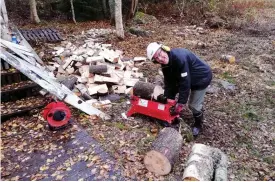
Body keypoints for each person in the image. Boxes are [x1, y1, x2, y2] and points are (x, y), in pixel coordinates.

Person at [146, 42, 212, 136]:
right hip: (187, 76)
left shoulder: (180, 58)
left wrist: (181, 103)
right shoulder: (165, 66)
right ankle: (168, 115)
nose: (160, 58)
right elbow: (169, 83)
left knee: (193, 105)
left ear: (164, 49)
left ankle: (198, 124)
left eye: (160, 54)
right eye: (157, 58)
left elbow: (185, 84)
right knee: (171, 91)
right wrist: (168, 99)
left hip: (201, 78)